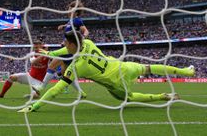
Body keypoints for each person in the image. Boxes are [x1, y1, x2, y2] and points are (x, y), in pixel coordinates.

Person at [18, 31, 195, 113]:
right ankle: (186, 72)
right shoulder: (88, 43)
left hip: (116, 85)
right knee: (149, 68)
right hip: (122, 67)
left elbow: (55, 90)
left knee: (130, 98)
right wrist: (50, 53)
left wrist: (35, 106)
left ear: (72, 45)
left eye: (65, 42)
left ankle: (163, 96)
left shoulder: (76, 68)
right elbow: (64, 51)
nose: (63, 45)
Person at [36, 0, 89, 97]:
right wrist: (63, 26)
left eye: (71, 9)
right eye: (69, 9)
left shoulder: (77, 20)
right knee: (65, 74)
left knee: (52, 66)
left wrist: (82, 38)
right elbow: (70, 27)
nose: (68, 11)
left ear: (76, 12)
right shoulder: (70, 21)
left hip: (69, 49)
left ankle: (40, 87)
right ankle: (81, 93)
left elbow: (85, 31)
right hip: (67, 48)